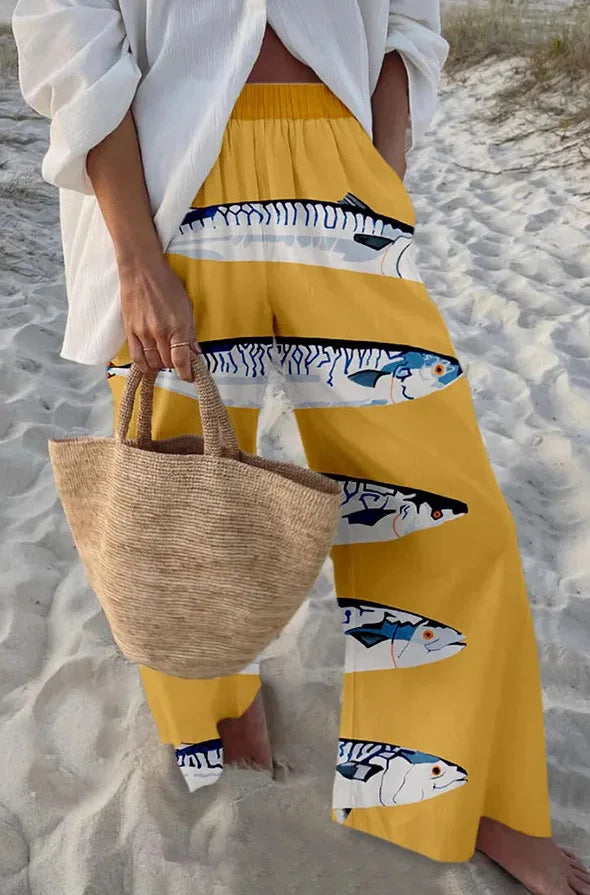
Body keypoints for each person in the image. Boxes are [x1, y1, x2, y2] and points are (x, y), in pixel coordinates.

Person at [11, 2, 590, 891]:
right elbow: (72, 45)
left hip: (342, 172)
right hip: (170, 185)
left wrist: (380, 174)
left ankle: (461, 792)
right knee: (181, 499)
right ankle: (215, 707)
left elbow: (407, 23)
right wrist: (134, 260)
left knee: (450, 511)